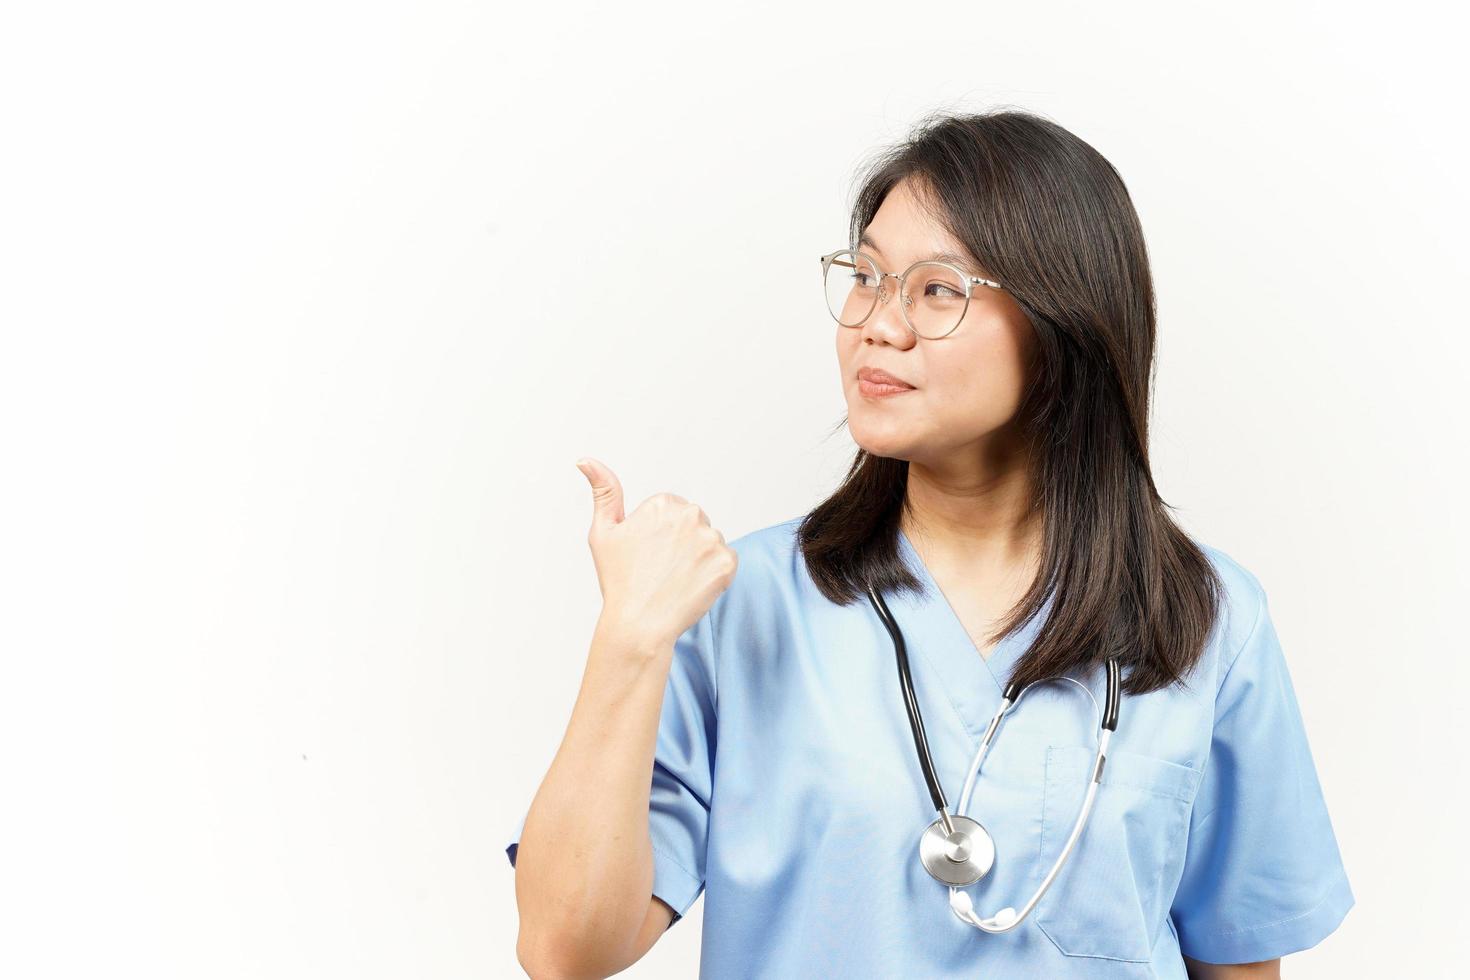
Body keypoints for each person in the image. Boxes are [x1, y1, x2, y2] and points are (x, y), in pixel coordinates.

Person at [505, 108, 1353, 978]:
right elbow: (566, 948)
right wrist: (628, 644)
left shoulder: (1207, 620)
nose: (878, 321)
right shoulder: (744, 605)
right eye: (866, 276)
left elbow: (1240, 959)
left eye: (937, 289)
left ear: (1064, 323)